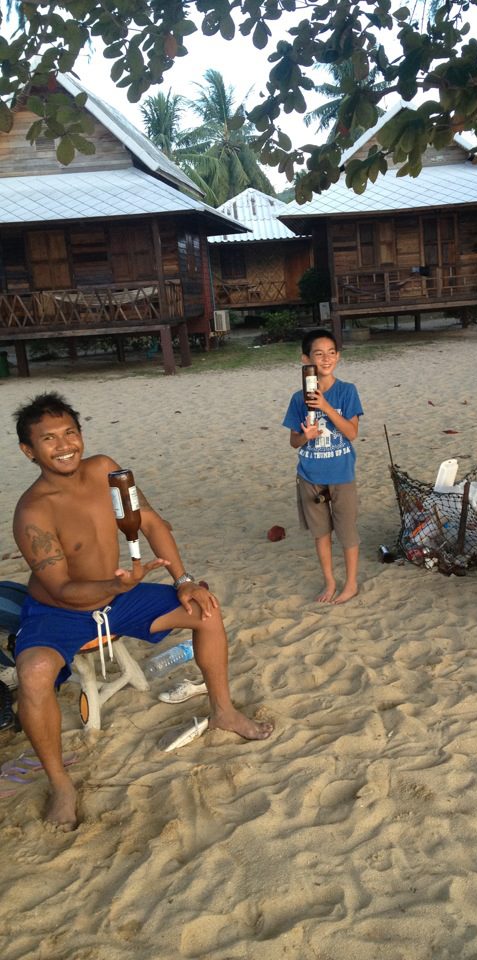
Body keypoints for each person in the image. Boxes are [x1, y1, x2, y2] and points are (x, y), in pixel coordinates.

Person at [12, 392, 273, 830]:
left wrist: (183, 580)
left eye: (70, 433)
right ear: (29, 450)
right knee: (34, 674)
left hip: (120, 596)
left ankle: (223, 712)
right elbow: (62, 586)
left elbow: (150, 521)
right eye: (49, 439)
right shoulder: (33, 511)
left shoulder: (103, 470)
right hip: (59, 610)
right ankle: (61, 783)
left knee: (205, 608)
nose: (64, 445)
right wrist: (116, 583)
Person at [283, 329, 364, 604]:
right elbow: (293, 441)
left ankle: (351, 583)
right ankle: (330, 581)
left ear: (338, 356)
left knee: (347, 532)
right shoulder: (298, 398)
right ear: (306, 359)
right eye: (318, 354)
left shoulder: (346, 391)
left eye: (331, 353)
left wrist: (327, 407)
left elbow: (352, 433)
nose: (326, 358)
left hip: (341, 473)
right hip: (310, 474)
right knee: (321, 533)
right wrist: (303, 436)